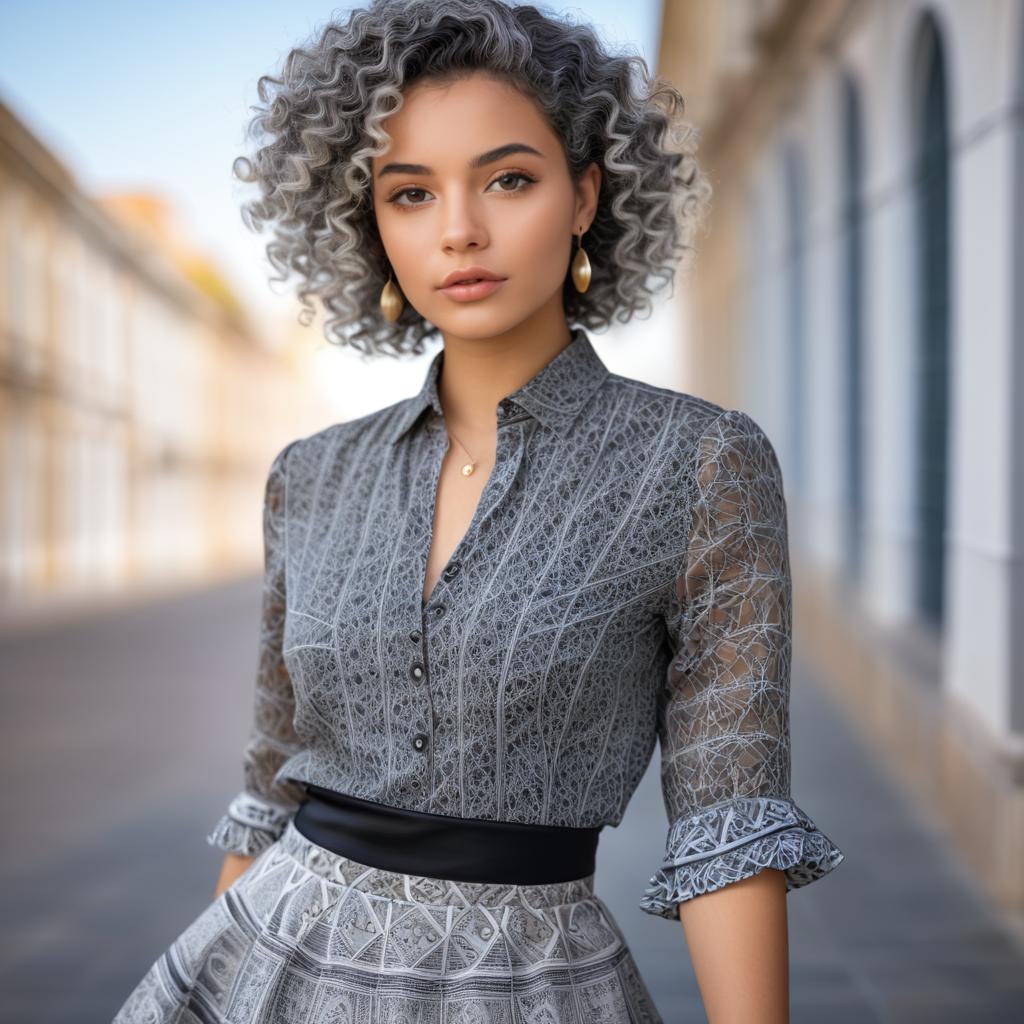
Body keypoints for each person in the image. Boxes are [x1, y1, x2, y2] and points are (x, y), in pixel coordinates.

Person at [112, 1, 845, 1021]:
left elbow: (728, 816)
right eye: (409, 193)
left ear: (585, 192)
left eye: (508, 178)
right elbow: (270, 782)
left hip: (530, 982)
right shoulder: (310, 474)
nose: (458, 229)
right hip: (268, 965)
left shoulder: (702, 463)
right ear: (367, 221)